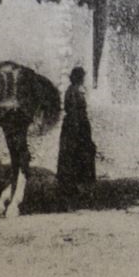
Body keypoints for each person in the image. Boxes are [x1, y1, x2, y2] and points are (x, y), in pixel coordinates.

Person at [57, 67, 97, 208]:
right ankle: (76, 190)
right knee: (77, 156)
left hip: (77, 125)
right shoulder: (74, 92)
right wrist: (79, 132)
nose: (82, 79)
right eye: (81, 77)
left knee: (78, 156)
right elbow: (74, 111)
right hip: (76, 126)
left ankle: (77, 189)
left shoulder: (75, 90)